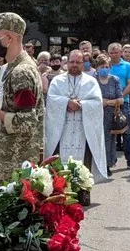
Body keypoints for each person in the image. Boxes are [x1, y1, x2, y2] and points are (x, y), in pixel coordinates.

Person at [0, 12, 43, 179]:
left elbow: (27, 122)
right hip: (14, 158)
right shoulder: (14, 68)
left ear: (9, 38)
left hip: (16, 162)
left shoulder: (21, 73)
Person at [44, 49, 107, 180]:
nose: (74, 65)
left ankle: (83, 195)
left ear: (83, 63)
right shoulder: (57, 81)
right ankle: (60, 195)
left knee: (84, 167)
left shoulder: (91, 82)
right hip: (63, 131)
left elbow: (97, 103)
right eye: (72, 62)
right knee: (59, 168)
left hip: (83, 132)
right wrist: (66, 102)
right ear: (66, 63)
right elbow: (51, 100)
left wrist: (81, 104)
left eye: (78, 62)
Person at [106, 43, 130, 169]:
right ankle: (110, 161)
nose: (114, 55)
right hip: (107, 104)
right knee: (109, 133)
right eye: (111, 53)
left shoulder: (128, 66)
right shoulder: (105, 65)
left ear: (121, 53)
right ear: (109, 54)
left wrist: (120, 97)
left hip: (123, 103)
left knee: (126, 132)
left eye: (116, 52)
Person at [95, 55, 123, 171]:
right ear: (97, 68)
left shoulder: (114, 80)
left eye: (107, 66)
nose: (104, 69)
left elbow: (120, 99)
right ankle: (96, 164)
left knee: (110, 140)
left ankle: (108, 164)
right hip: (96, 115)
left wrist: (108, 102)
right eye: (102, 66)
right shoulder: (93, 80)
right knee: (97, 140)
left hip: (111, 115)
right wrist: (100, 103)